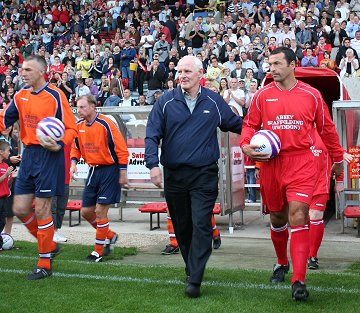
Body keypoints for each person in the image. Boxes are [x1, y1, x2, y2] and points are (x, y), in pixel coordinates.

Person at [240, 47, 345, 301]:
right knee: (277, 218)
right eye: (269, 64)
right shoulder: (262, 96)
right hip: (272, 164)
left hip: (301, 163)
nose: (272, 69)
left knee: (298, 214)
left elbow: (327, 129)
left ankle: (299, 280)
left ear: (292, 65)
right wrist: (246, 146)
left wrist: (338, 159)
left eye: (277, 64)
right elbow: (249, 125)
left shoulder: (312, 95)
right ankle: (281, 261)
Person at [145, 55, 243, 298]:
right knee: (182, 226)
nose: (182, 75)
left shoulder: (213, 100)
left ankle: (195, 279)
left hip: (204, 174)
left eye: (188, 71)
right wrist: (152, 165)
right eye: (180, 71)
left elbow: (236, 123)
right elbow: (151, 134)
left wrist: (263, 129)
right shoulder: (165, 101)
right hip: (175, 176)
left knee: (201, 224)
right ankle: (192, 268)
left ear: (201, 74)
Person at [0, 55, 77, 280]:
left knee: (42, 209)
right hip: (29, 154)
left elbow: (71, 128)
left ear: (42, 72)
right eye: (22, 69)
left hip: (49, 155)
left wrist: (59, 143)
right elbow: (5, 120)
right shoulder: (20, 95)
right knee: (21, 209)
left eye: (28, 70)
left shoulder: (55, 96)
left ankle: (44, 262)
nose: (22, 73)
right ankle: (49, 244)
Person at [70, 94, 129, 262]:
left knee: (100, 212)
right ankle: (110, 235)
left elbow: (122, 150)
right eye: (77, 107)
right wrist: (73, 164)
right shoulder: (78, 125)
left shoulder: (106, 123)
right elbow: (76, 148)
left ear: (93, 107)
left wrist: (123, 173)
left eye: (82, 107)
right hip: (93, 171)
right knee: (86, 212)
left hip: (110, 170)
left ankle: (98, 252)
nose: (78, 110)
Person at [0, 126, 21, 235]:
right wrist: (10, 160)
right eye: (3, 125)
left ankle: (7, 235)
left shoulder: (13, 140)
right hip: (3, 175)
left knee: (9, 209)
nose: (6, 128)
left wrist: (18, 160)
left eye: (8, 125)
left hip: (11, 177)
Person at [52, 144, 71, 243]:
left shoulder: (69, 140)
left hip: (65, 179)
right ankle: (52, 232)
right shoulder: (51, 139)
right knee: (53, 207)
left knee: (61, 208)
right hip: (52, 178)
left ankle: (56, 231)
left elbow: (73, 156)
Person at [0, 140, 14, 250]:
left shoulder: (5, 165)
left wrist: (10, 178)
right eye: (8, 151)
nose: (9, 153)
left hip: (5, 198)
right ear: (1, 152)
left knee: (2, 222)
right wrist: (5, 175)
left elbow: (6, 183)